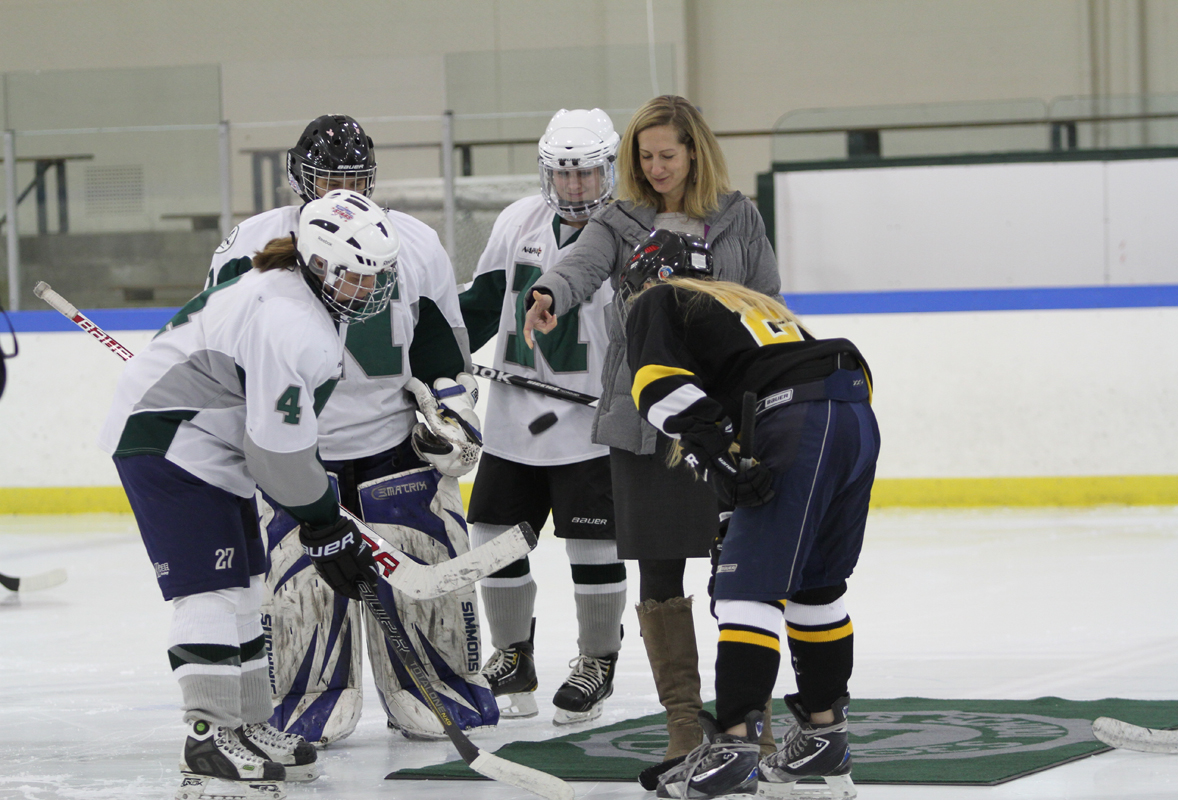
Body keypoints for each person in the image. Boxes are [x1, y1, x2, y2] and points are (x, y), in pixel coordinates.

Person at [98, 191, 399, 800]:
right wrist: (323, 524)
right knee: (206, 590)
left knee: (246, 589)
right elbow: (277, 455)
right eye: (356, 273)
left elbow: (278, 447)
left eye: (377, 273)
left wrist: (320, 519)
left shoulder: (296, 293)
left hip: (212, 445)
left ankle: (249, 724)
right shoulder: (292, 321)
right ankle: (207, 738)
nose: (370, 286)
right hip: (170, 442)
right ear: (318, 264)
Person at [206, 114, 494, 744]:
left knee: (426, 569)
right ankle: (312, 689)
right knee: (300, 587)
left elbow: (441, 347)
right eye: (328, 177)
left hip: (393, 448)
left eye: (355, 176)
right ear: (297, 178)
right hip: (298, 458)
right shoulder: (254, 244)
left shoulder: (412, 242)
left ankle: (433, 682)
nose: (343, 188)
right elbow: (221, 344)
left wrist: (451, 410)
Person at [521, 95, 781, 778]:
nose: (655, 167)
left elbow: (769, 298)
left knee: (741, 575)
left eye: (667, 154)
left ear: (695, 151)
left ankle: (749, 718)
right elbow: (580, 263)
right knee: (659, 572)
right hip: (646, 421)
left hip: (723, 418)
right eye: (645, 155)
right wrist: (547, 294)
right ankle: (682, 724)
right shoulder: (620, 218)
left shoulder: (739, 216)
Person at [621, 230, 877, 799]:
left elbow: (659, 386)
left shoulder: (663, 298)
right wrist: (724, 451)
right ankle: (823, 741)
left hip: (797, 421)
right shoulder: (747, 302)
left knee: (746, 592)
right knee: (816, 587)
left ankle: (732, 748)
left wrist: (714, 453)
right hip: (854, 416)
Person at [458, 108, 625, 725]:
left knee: (592, 541)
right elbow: (479, 304)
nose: (575, 186)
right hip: (514, 414)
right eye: (563, 173)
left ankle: (597, 662)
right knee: (493, 537)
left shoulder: (630, 232)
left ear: (609, 169)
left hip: (590, 425)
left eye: (586, 173)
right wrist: (428, 359)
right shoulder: (517, 221)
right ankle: (513, 657)